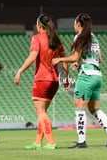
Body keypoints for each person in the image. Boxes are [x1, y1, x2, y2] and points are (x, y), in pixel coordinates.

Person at [52, 13, 107, 148]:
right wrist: (80, 62)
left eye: (74, 23)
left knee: (79, 107)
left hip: (86, 76)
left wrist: (60, 59)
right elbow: (98, 59)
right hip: (97, 75)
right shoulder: (94, 38)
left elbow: (74, 56)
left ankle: (81, 141)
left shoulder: (79, 37)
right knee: (95, 108)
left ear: (78, 24)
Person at [14, 13, 70, 150]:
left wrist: (20, 71)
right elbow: (64, 61)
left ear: (39, 26)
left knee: (41, 112)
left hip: (41, 79)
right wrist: (67, 79)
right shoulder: (56, 40)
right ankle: (38, 142)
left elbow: (33, 56)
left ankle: (51, 142)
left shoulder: (37, 38)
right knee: (42, 112)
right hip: (54, 81)